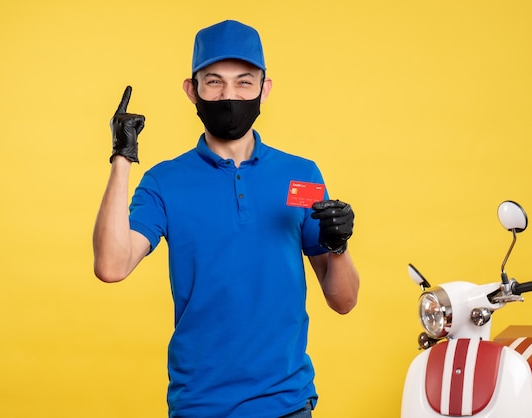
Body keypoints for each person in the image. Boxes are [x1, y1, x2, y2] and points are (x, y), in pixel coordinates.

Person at [93, 19, 360, 418]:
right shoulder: (165, 181)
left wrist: (338, 247)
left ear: (264, 88)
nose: (229, 95)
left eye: (244, 82)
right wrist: (122, 157)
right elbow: (112, 265)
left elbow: (344, 300)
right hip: (199, 404)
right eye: (214, 82)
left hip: (286, 402)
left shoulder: (301, 176)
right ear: (192, 90)